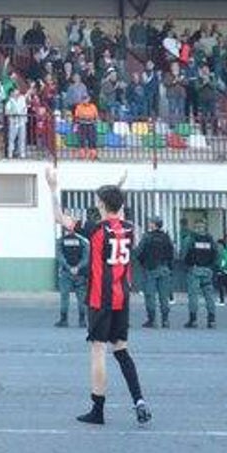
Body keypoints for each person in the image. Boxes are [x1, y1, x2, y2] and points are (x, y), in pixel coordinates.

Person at [45, 167, 151, 426]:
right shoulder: (128, 228)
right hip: (122, 296)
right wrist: (118, 186)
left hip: (100, 298)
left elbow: (59, 217)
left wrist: (52, 187)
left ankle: (98, 409)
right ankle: (139, 400)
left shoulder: (95, 229)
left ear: (101, 204)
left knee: (98, 351)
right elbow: (117, 209)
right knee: (122, 350)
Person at [135, 216, 174, 328]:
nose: (149, 224)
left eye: (150, 223)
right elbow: (171, 252)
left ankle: (151, 319)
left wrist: (143, 263)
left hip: (150, 269)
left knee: (150, 295)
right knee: (164, 296)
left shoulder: (147, 237)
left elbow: (138, 252)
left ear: (154, 224)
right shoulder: (166, 237)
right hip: (164, 268)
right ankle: (165, 320)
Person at [180, 221, 219, 328]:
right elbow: (217, 254)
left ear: (195, 228)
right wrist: (211, 267)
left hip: (194, 270)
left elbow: (183, 254)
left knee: (193, 295)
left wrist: (187, 266)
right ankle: (212, 320)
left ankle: (193, 320)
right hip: (207, 270)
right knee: (209, 296)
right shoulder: (210, 240)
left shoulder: (190, 239)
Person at [55, 221, 90, 328]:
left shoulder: (61, 241)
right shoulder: (82, 241)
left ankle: (64, 320)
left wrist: (69, 267)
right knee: (81, 297)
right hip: (80, 273)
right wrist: (78, 267)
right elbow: (86, 257)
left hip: (66, 273)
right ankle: (82, 320)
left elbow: (60, 256)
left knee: (64, 296)